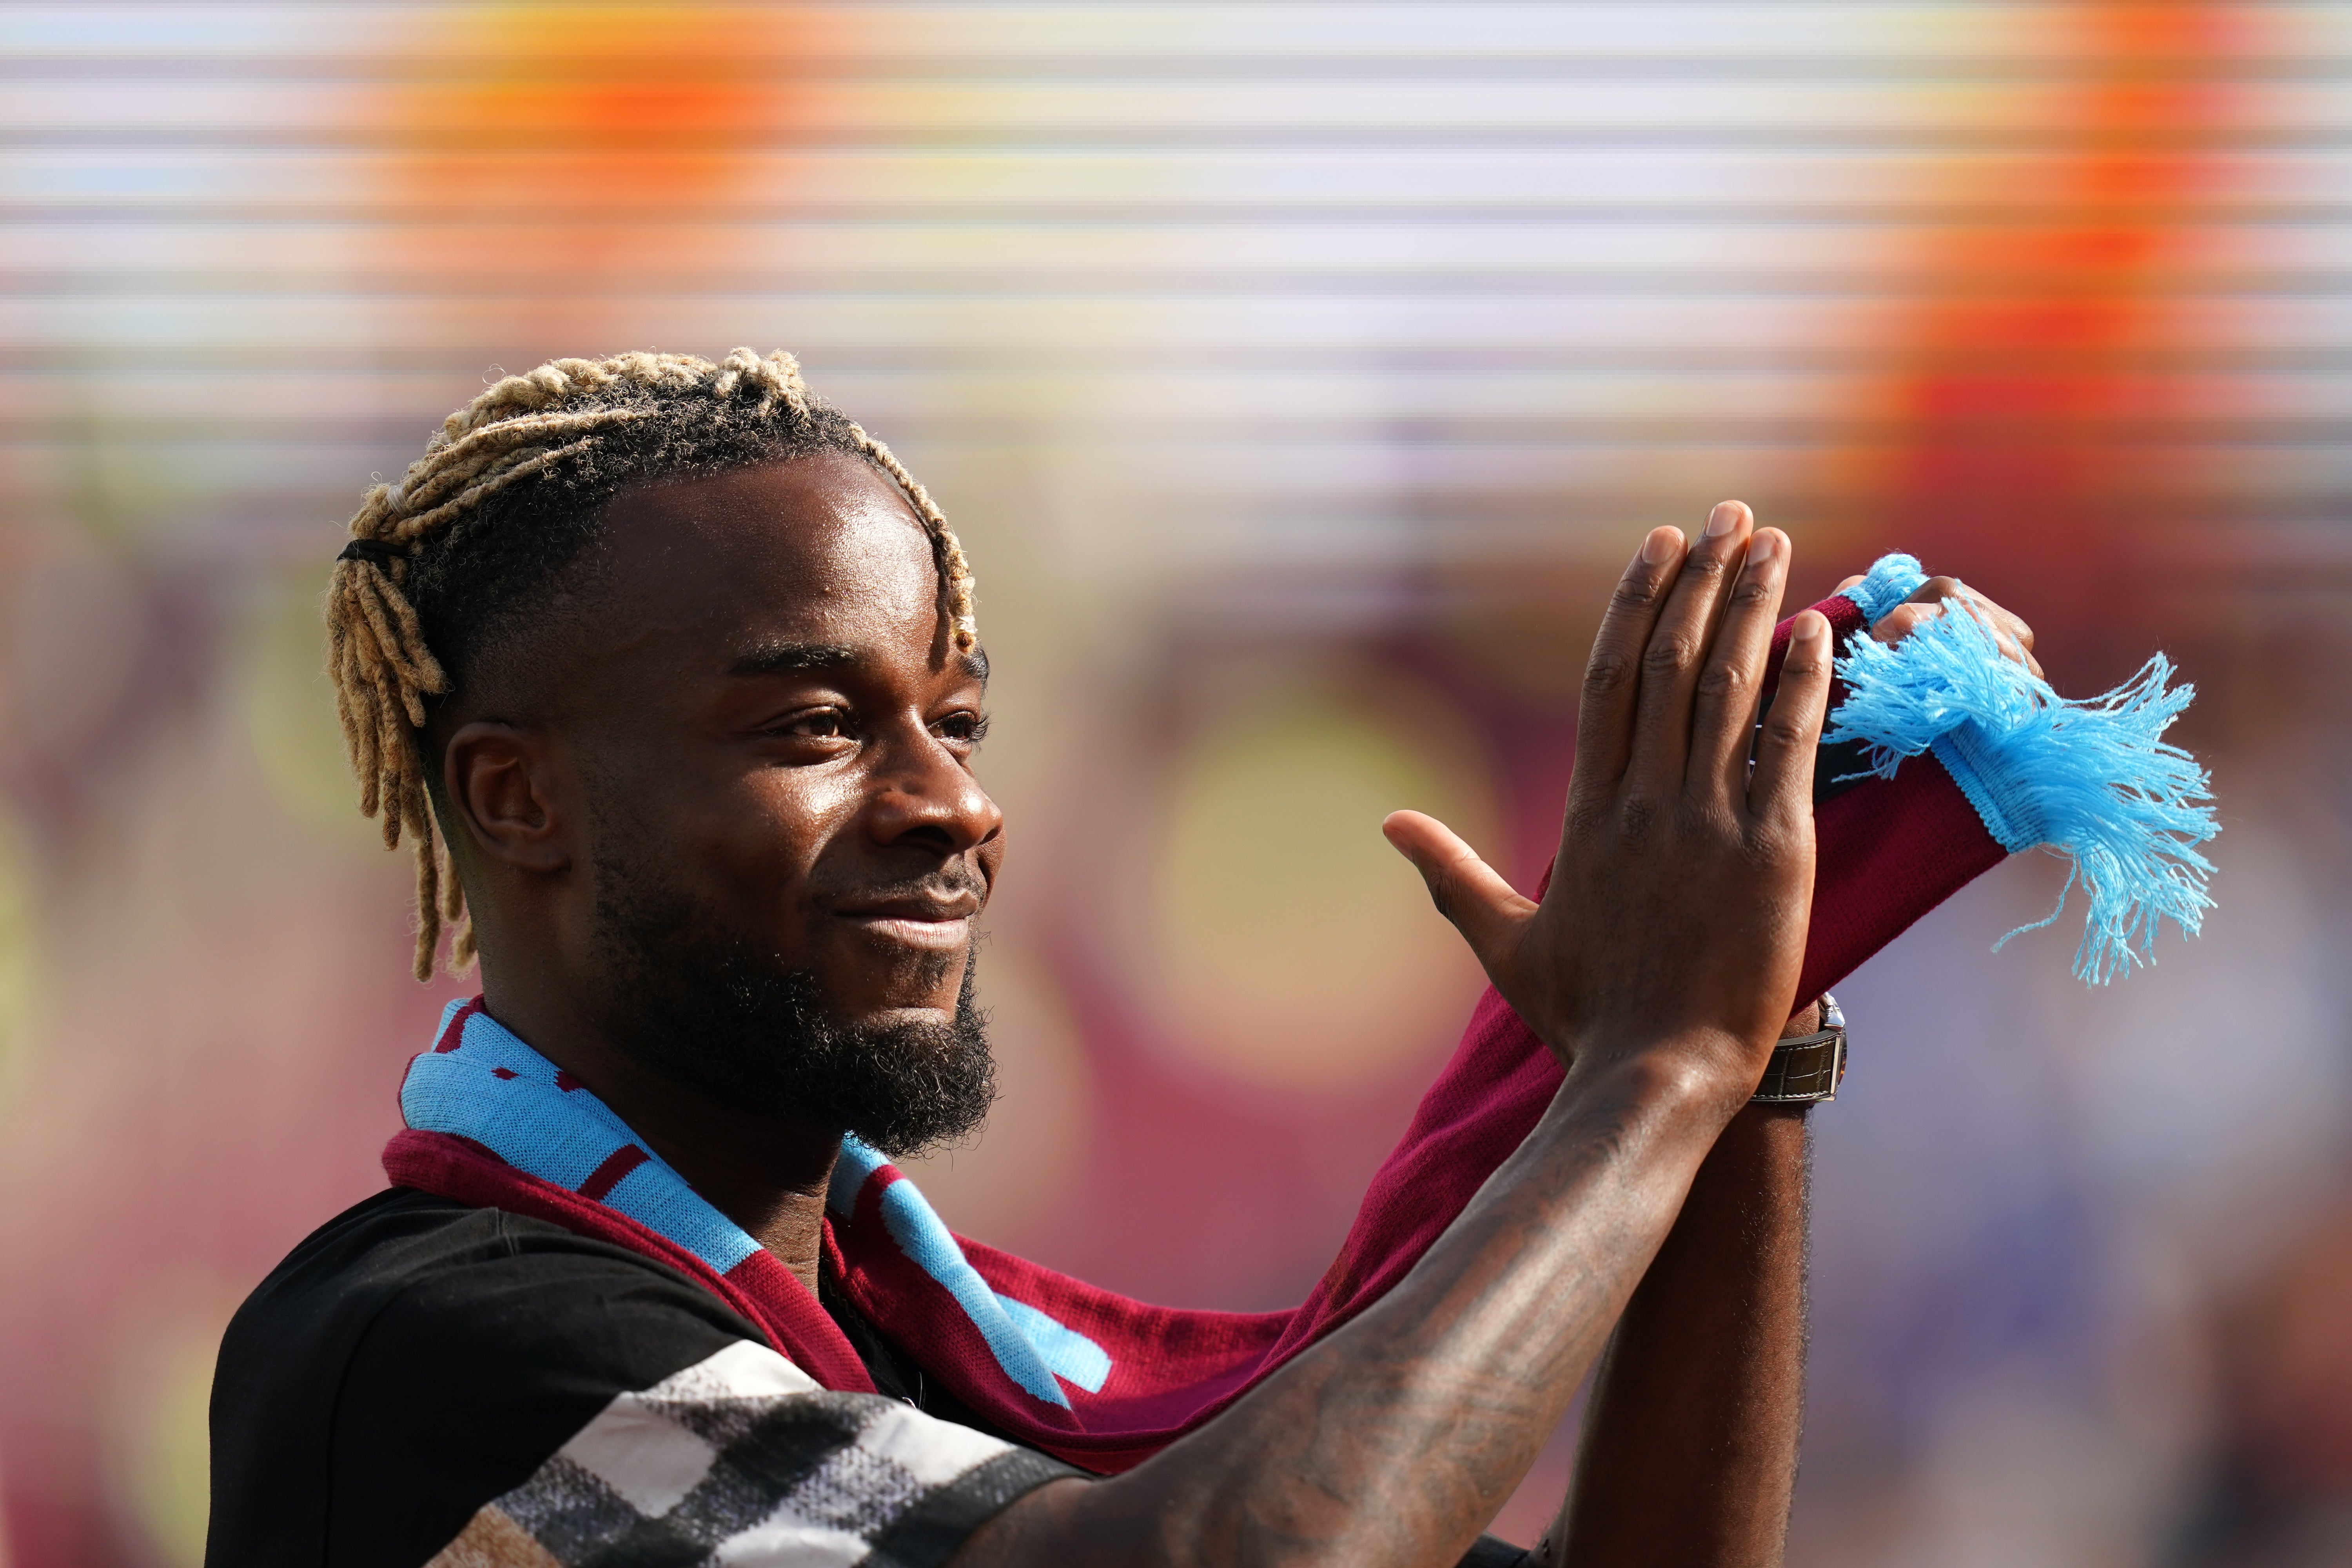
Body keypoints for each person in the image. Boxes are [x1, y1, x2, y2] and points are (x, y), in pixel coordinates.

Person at [207, 349, 2045, 1568]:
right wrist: (1650, 1070)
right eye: (812, 728)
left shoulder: (921, 1361)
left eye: (958, 718)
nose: (954, 805)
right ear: (517, 797)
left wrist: (1755, 1018)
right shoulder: (434, 1344)